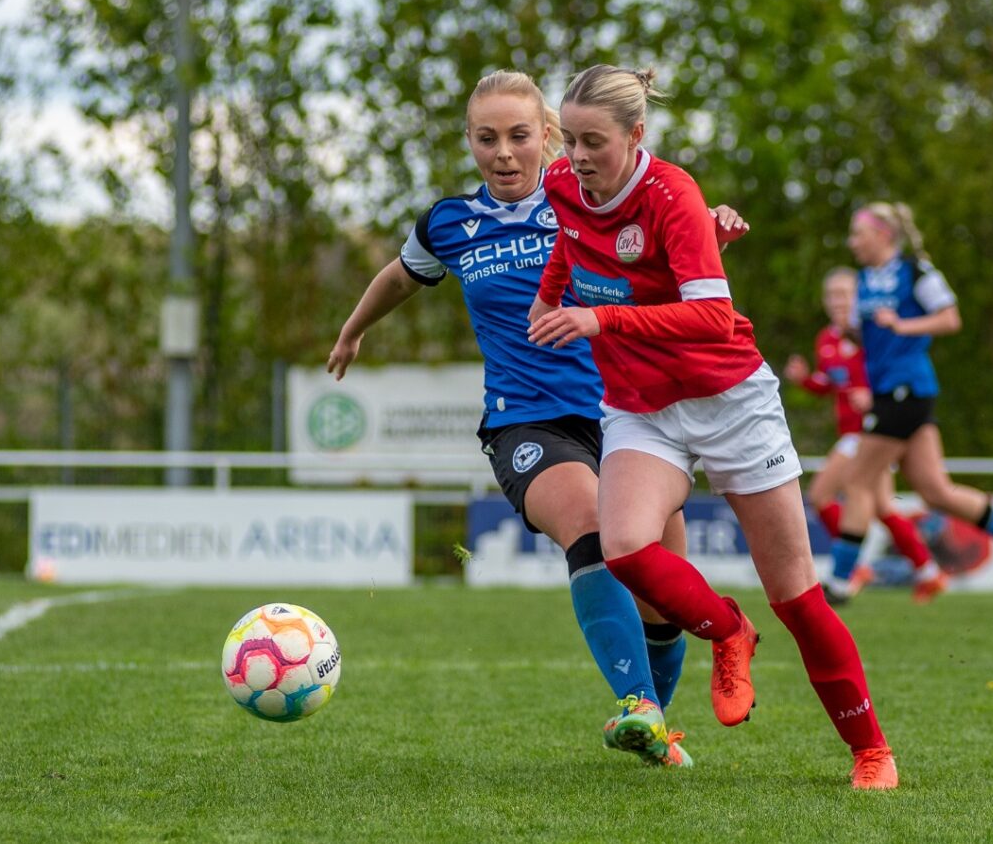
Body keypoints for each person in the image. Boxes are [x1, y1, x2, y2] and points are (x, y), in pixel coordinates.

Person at [327, 70, 744, 767]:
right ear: (469, 141)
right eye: (487, 138)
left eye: (520, 136)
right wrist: (353, 329)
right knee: (592, 529)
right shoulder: (449, 223)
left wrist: (712, 227)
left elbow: (665, 238)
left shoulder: (587, 199)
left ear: (547, 136)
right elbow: (402, 274)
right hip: (526, 422)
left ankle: (656, 726)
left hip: (632, 414)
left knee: (662, 596)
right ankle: (636, 703)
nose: (504, 152)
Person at [527, 64, 898, 790]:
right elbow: (570, 247)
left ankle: (871, 751)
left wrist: (598, 317)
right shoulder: (562, 186)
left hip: (730, 400)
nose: (576, 156)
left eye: (593, 141)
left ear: (637, 136)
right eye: (567, 139)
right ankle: (728, 630)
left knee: (796, 593)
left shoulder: (674, 194)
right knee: (627, 547)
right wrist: (549, 301)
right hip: (640, 405)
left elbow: (712, 317)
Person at [825, 202, 993, 604]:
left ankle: (840, 584)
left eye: (858, 233)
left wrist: (902, 324)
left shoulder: (915, 271)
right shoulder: (863, 280)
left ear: (884, 235)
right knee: (936, 492)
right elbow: (871, 339)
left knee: (858, 482)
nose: (852, 242)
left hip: (906, 388)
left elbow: (950, 318)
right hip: (895, 391)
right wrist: (852, 331)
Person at [783, 267, 947, 602]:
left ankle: (852, 569)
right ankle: (928, 571)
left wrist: (873, 397)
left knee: (822, 494)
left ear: (859, 298)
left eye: (845, 294)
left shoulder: (871, 336)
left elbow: (891, 374)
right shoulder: (826, 339)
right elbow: (830, 384)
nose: (838, 302)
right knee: (884, 507)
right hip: (854, 432)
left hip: (872, 431)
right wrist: (804, 380)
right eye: (832, 296)